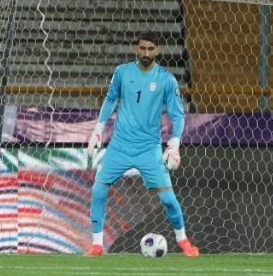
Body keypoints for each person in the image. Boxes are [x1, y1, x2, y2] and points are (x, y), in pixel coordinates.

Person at [85, 32, 198, 257]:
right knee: (98, 190)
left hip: (149, 148)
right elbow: (110, 99)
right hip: (119, 146)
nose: (146, 52)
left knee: (168, 199)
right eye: (143, 48)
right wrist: (98, 130)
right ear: (136, 49)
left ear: (158, 51)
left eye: (151, 49)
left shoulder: (166, 79)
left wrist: (174, 143)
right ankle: (97, 245)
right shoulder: (122, 72)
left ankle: (183, 241)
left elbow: (178, 115)